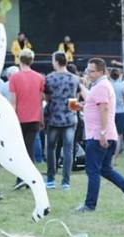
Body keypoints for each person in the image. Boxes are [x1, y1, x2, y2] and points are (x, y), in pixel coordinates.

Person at [73, 58, 124, 213]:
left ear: (102, 71)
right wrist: (84, 108)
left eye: (92, 71)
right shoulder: (100, 85)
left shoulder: (101, 86)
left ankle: (90, 205)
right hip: (103, 133)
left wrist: (102, 133)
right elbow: (99, 108)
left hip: (98, 135)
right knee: (105, 169)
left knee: (93, 170)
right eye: (88, 70)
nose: (88, 74)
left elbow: (104, 109)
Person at [9, 48, 45, 187]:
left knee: (20, 150)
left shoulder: (14, 78)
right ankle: (29, 179)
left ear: (19, 60)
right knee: (29, 149)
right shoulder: (39, 78)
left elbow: (13, 102)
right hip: (34, 118)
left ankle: (22, 178)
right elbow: (40, 100)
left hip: (19, 119)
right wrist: (41, 118)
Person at [44, 51, 80, 190]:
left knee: (51, 148)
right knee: (68, 149)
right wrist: (71, 111)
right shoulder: (75, 79)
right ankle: (66, 181)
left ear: (57, 62)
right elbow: (75, 99)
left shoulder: (49, 78)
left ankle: (51, 179)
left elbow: (47, 98)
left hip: (53, 117)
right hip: (70, 117)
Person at [108, 68, 124, 162]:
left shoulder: (108, 85)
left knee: (109, 134)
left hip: (110, 111)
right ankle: (115, 157)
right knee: (119, 135)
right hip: (121, 111)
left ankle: (109, 155)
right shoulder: (123, 85)